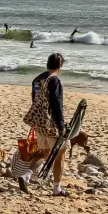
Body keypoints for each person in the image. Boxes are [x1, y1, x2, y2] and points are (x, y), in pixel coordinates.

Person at [19, 52, 68, 196]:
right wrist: (61, 125)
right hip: (50, 122)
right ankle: (57, 189)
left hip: (38, 122)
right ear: (60, 65)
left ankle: (26, 175)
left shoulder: (37, 79)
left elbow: (35, 100)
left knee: (44, 153)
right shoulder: (54, 80)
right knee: (61, 153)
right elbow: (57, 104)